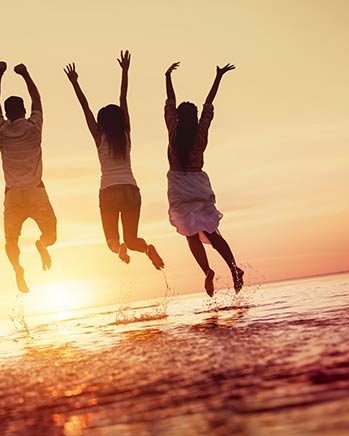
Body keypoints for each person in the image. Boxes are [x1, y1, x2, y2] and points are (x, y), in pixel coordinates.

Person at [63, 50, 164, 270]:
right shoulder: (126, 133)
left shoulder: (99, 136)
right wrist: (125, 71)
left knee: (112, 240)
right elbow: (123, 99)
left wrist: (74, 83)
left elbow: (85, 107)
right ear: (120, 120)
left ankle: (118, 249)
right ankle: (146, 249)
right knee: (132, 239)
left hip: (108, 191)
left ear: (101, 123)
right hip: (130, 190)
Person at [164, 62, 244, 296]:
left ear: (178, 117)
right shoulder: (201, 131)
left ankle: (207, 271)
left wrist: (167, 76)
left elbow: (169, 102)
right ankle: (233, 268)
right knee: (210, 231)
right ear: (196, 117)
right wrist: (218, 76)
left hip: (178, 184)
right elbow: (209, 104)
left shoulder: (173, 131)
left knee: (190, 233)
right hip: (198, 183)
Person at [0, 61, 57, 293]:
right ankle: (42, 243)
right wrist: (25, 74)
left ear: (7, 114)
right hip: (36, 190)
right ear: (24, 111)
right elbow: (37, 100)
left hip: (13, 195)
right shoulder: (33, 128)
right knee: (51, 233)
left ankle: (17, 268)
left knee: (11, 240)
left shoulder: (1, 131)